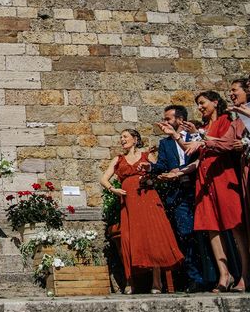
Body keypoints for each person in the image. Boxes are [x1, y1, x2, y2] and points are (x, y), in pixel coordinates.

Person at [172, 88, 250, 292]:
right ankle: (225, 275)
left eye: (202, 102)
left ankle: (245, 274)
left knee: (235, 225)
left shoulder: (227, 120)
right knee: (211, 227)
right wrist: (177, 136)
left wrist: (200, 137)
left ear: (215, 102)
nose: (200, 107)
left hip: (223, 176)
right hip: (205, 180)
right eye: (198, 104)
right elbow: (192, 148)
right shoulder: (206, 126)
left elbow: (225, 145)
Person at [100, 129, 184, 293]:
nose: (122, 140)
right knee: (130, 238)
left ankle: (156, 281)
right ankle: (130, 282)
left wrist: (150, 179)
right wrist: (113, 190)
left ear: (135, 139)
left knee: (153, 236)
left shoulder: (147, 156)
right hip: (129, 203)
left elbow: (158, 174)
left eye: (125, 136)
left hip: (148, 199)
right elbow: (103, 179)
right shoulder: (119, 159)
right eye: (121, 137)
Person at [141, 105, 206, 293]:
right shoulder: (165, 144)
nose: (165, 123)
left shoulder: (194, 137)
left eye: (168, 119)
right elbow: (162, 165)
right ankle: (195, 278)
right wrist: (150, 168)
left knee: (204, 233)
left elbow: (198, 158)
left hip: (197, 189)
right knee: (185, 234)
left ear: (180, 119)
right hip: (177, 194)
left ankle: (213, 275)